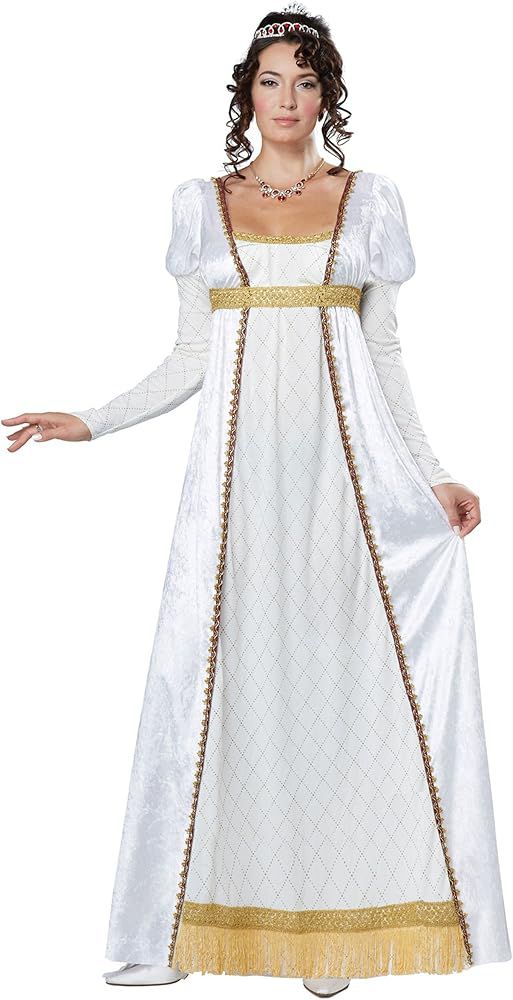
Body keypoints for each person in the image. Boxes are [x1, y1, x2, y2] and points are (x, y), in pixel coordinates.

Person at [2, 5, 510, 995]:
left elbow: (384, 350)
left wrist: (433, 470)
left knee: (338, 685)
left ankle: (329, 933)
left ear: (327, 96)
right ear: (246, 93)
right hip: (232, 490)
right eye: (271, 80)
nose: (288, 99)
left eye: (306, 82)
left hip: (346, 486)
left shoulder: (369, 200)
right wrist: (92, 419)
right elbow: (192, 354)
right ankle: (172, 932)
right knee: (204, 682)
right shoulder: (202, 203)